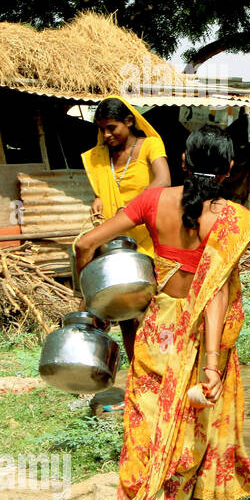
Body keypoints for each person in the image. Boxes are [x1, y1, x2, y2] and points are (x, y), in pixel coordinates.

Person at [74, 125, 250, 500]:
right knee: (195, 440)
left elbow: (85, 244)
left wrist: (88, 307)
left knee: (147, 437)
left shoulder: (151, 201)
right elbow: (217, 290)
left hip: (156, 335)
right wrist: (213, 366)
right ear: (228, 169)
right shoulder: (229, 217)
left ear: (181, 158)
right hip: (201, 343)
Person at [80, 96, 171, 365]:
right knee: (125, 316)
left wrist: (133, 207)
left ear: (129, 122)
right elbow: (104, 190)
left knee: (152, 312)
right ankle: (136, 375)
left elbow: (164, 180)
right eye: (101, 129)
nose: (106, 135)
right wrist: (97, 200)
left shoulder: (149, 146)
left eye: (112, 128)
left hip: (148, 239)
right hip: (114, 243)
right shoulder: (100, 158)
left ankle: (159, 373)